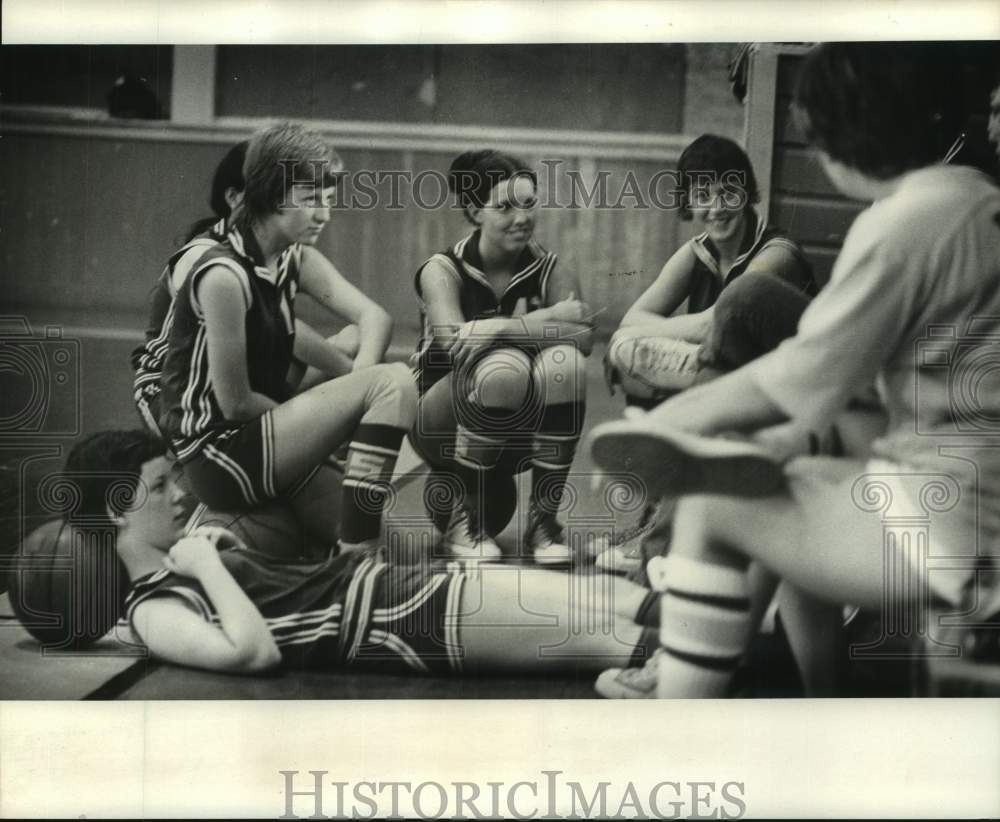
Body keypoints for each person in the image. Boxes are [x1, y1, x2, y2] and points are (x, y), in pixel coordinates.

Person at [588, 42, 1000, 698]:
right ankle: (822, 702)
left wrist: (672, 419)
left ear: (834, 142)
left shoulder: (907, 218)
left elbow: (796, 374)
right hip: (958, 496)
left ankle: (672, 723)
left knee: (714, 507)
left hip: (958, 529)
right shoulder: (976, 197)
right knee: (796, 486)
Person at [11, 429, 664, 679]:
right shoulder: (152, 612)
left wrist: (225, 557)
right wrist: (209, 567)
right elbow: (253, 653)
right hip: (399, 622)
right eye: (161, 486)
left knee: (619, 601)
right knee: (605, 634)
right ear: (121, 507)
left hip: (390, 585)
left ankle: (733, 635)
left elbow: (272, 601)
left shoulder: (192, 558)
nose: (181, 493)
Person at [159, 122, 416, 554]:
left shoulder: (293, 257)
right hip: (221, 456)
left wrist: (352, 403)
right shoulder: (223, 274)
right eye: (312, 200)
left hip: (265, 437)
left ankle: (353, 551)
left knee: (402, 554)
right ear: (271, 193)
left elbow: (375, 317)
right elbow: (235, 403)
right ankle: (356, 558)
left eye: (328, 201)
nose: (325, 215)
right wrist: (332, 425)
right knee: (394, 382)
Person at [597, 135, 817, 575]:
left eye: (728, 192)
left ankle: (660, 541)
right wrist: (684, 339)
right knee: (627, 352)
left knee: (658, 364)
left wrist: (682, 334)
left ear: (747, 193)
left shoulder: (777, 252)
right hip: (719, 370)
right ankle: (655, 518)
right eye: (702, 195)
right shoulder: (696, 252)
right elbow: (632, 320)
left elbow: (717, 320)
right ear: (689, 202)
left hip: (779, 388)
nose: (716, 207)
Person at [409, 149, 594, 564]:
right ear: (475, 211)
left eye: (529, 204)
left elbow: (582, 338)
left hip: (516, 430)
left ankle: (544, 524)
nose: (521, 217)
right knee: (504, 370)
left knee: (566, 364)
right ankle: (465, 521)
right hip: (440, 423)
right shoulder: (442, 269)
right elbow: (455, 343)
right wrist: (548, 319)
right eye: (505, 207)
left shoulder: (550, 268)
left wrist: (501, 326)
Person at [130, 140, 378, 442]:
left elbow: (369, 316)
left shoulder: (286, 253)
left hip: (235, 388)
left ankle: (310, 434)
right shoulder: (205, 257)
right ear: (235, 198)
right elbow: (275, 330)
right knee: (336, 369)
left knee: (352, 338)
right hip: (173, 396)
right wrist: (351, 374)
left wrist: (358, 376)